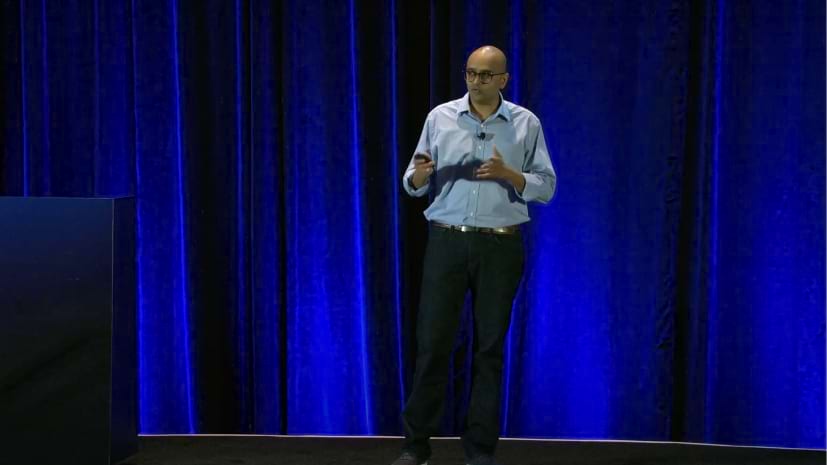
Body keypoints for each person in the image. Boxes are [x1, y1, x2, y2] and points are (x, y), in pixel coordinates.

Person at [392, 46, 557, 465]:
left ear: (503, 80)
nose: (475, 81)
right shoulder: (440, 117)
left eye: (485, 75)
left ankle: (480, 450)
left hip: (500, 245)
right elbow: (412, 179)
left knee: (489, 349)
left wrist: (510, 175)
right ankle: (416, 445)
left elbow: (547, 186)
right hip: (447, 241)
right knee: (433, 345)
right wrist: (418, 176)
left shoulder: (525, 123)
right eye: (470, 73)